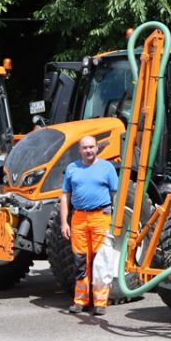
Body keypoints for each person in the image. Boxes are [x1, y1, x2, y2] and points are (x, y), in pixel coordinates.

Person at [60, 135, 119, 316]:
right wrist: (64, 223)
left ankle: (100, 302)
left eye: (92, 147)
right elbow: (65, 196)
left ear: (96, 148)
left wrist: (116, 219)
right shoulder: (72, 169)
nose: (89, 150)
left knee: (101, 260)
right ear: (80, 150)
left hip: (100, 217)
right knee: (80, 260)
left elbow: (114, 194)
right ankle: (80, 301)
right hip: (78, 218)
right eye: (85, 147)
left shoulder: (107, 168)